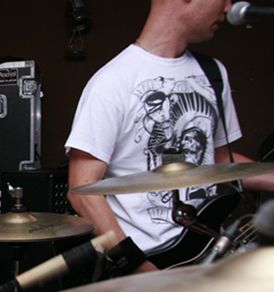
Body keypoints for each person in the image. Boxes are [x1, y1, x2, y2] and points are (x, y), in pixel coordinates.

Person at [65, 0, 274, 272]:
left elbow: (219, 160)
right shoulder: (112, 82)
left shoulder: (213, 73)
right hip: (146, 262)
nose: (228, 7)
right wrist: (138, 266)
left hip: (204, 253)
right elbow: (82, 192)